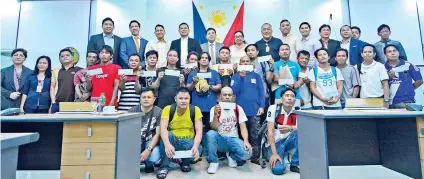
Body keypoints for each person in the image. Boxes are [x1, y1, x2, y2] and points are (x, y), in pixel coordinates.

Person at [157, 87, 203, 179]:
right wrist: (167, 144)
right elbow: (163, 128)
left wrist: (196, 146)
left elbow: (199, 130)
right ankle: (164, 167)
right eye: (180, 98)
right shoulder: (168, 109)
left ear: (190, 99)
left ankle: (185, 163)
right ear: (175, 99)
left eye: (186, 98)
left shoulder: (195, 109)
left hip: (188, 141)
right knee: (167, 135)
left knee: (198, 148)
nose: (183, 101)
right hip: (173, 141)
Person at [206, 87, 252, 174]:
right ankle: (214, 162)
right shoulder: (214, 109)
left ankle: (232, 156)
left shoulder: (238, 108)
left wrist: (246, 141)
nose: (227, 97)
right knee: (210, 134)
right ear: (220, 97)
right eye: (225, 95)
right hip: (220, 139)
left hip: (233, 139)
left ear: (233, 97)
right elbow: (213, 127)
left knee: (248, 153)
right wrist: (216, 115)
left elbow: (243, 127)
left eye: (229, 95)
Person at [231, 56, 265, 165]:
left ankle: (255, 157)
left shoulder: (256, 76)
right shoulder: (235, 76)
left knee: (255, 135)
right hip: (240, 111)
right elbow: (233, 91)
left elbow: (261, 93)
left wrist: (262, 106)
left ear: (250, 63)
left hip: (254, 110)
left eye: (247, 61)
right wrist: (241, 78)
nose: (245, 63)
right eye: (243, 61)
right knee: (240, 135)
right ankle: (241, 157)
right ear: (239, 63)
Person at [266, 88, 300, 175]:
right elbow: (270, 131)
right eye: (287, 95)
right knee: (278, 170)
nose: (289, 98)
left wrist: (291, 128)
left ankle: (294, 163)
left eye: (292, 96)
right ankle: (280, 156)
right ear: (281, 98)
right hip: (275, 143)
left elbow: (304, 129)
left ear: (295, 100)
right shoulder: (273, 108)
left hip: (289, 140)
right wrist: (274, 153)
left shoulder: (298, 110)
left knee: (300, 133)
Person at [187, 52, 222, 136]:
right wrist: (193, 83)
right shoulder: (193, 73)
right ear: (198, 60)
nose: (204, 59)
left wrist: (210, 87)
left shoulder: (214, 73)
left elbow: (219, 86)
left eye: (206, 58)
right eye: (202, 58)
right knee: (196, 130)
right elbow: (188, 88)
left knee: (210, 131)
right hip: (196, 106)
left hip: (210, 107)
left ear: (209, 61)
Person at [128, 88, 162, 173]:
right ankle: (134, 164)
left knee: (154, 156)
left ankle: (149, 164)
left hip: (150, 142)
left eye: (149, 97)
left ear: (154, 99)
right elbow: (126, 132)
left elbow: (158, 134)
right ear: (140, 99)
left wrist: (148, 150)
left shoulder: (159, 111)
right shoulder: (132, 111)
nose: (146, 99)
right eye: (144, 97)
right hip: (135, 141)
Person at [50, 48, 83, 113]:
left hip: (74, 104)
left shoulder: (80, 70)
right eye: (62, 56)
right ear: (60, 59)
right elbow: (52, 87)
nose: (65, 57)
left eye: (67, 55)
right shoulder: (56, 70)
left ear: (73, 58)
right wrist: (53, 102)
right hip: (58, 104)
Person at [246, 44, 273, 108]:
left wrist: (271, 67)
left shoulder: (263, 63)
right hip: (248, 96)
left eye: (252, 50)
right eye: (248, 50)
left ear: (257, 52)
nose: (250, 52)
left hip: (262, 94)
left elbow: (269, 80)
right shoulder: (243, 64)